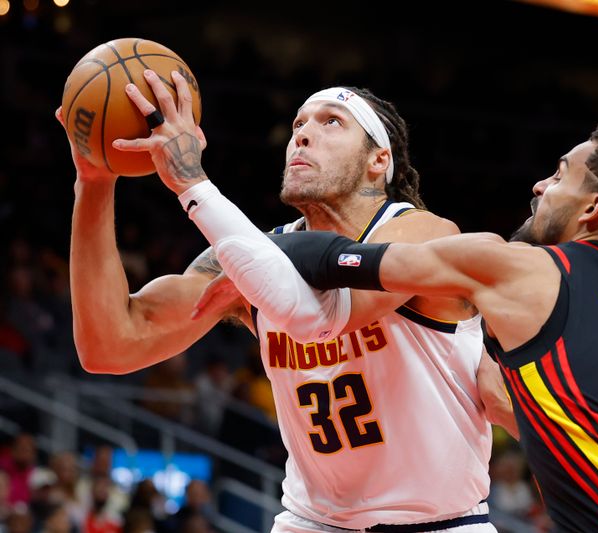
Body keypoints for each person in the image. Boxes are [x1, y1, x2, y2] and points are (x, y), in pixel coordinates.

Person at [188, 117, 598, 531]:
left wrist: (212, 210)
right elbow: (552, 407)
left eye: (558, 176)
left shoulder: (523, 268)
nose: (539, 184)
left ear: (592, 209)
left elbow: (336, 260)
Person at [58, 68, 515, 532]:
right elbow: (109, 345)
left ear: (379, 160)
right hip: (309, 521)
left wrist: (192, 183)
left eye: (331, 121)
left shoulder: (424, 234)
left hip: (437, 523)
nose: (303, 136)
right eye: (298, 125)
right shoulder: (246, 254)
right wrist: (94, 183)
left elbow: (323, 314)